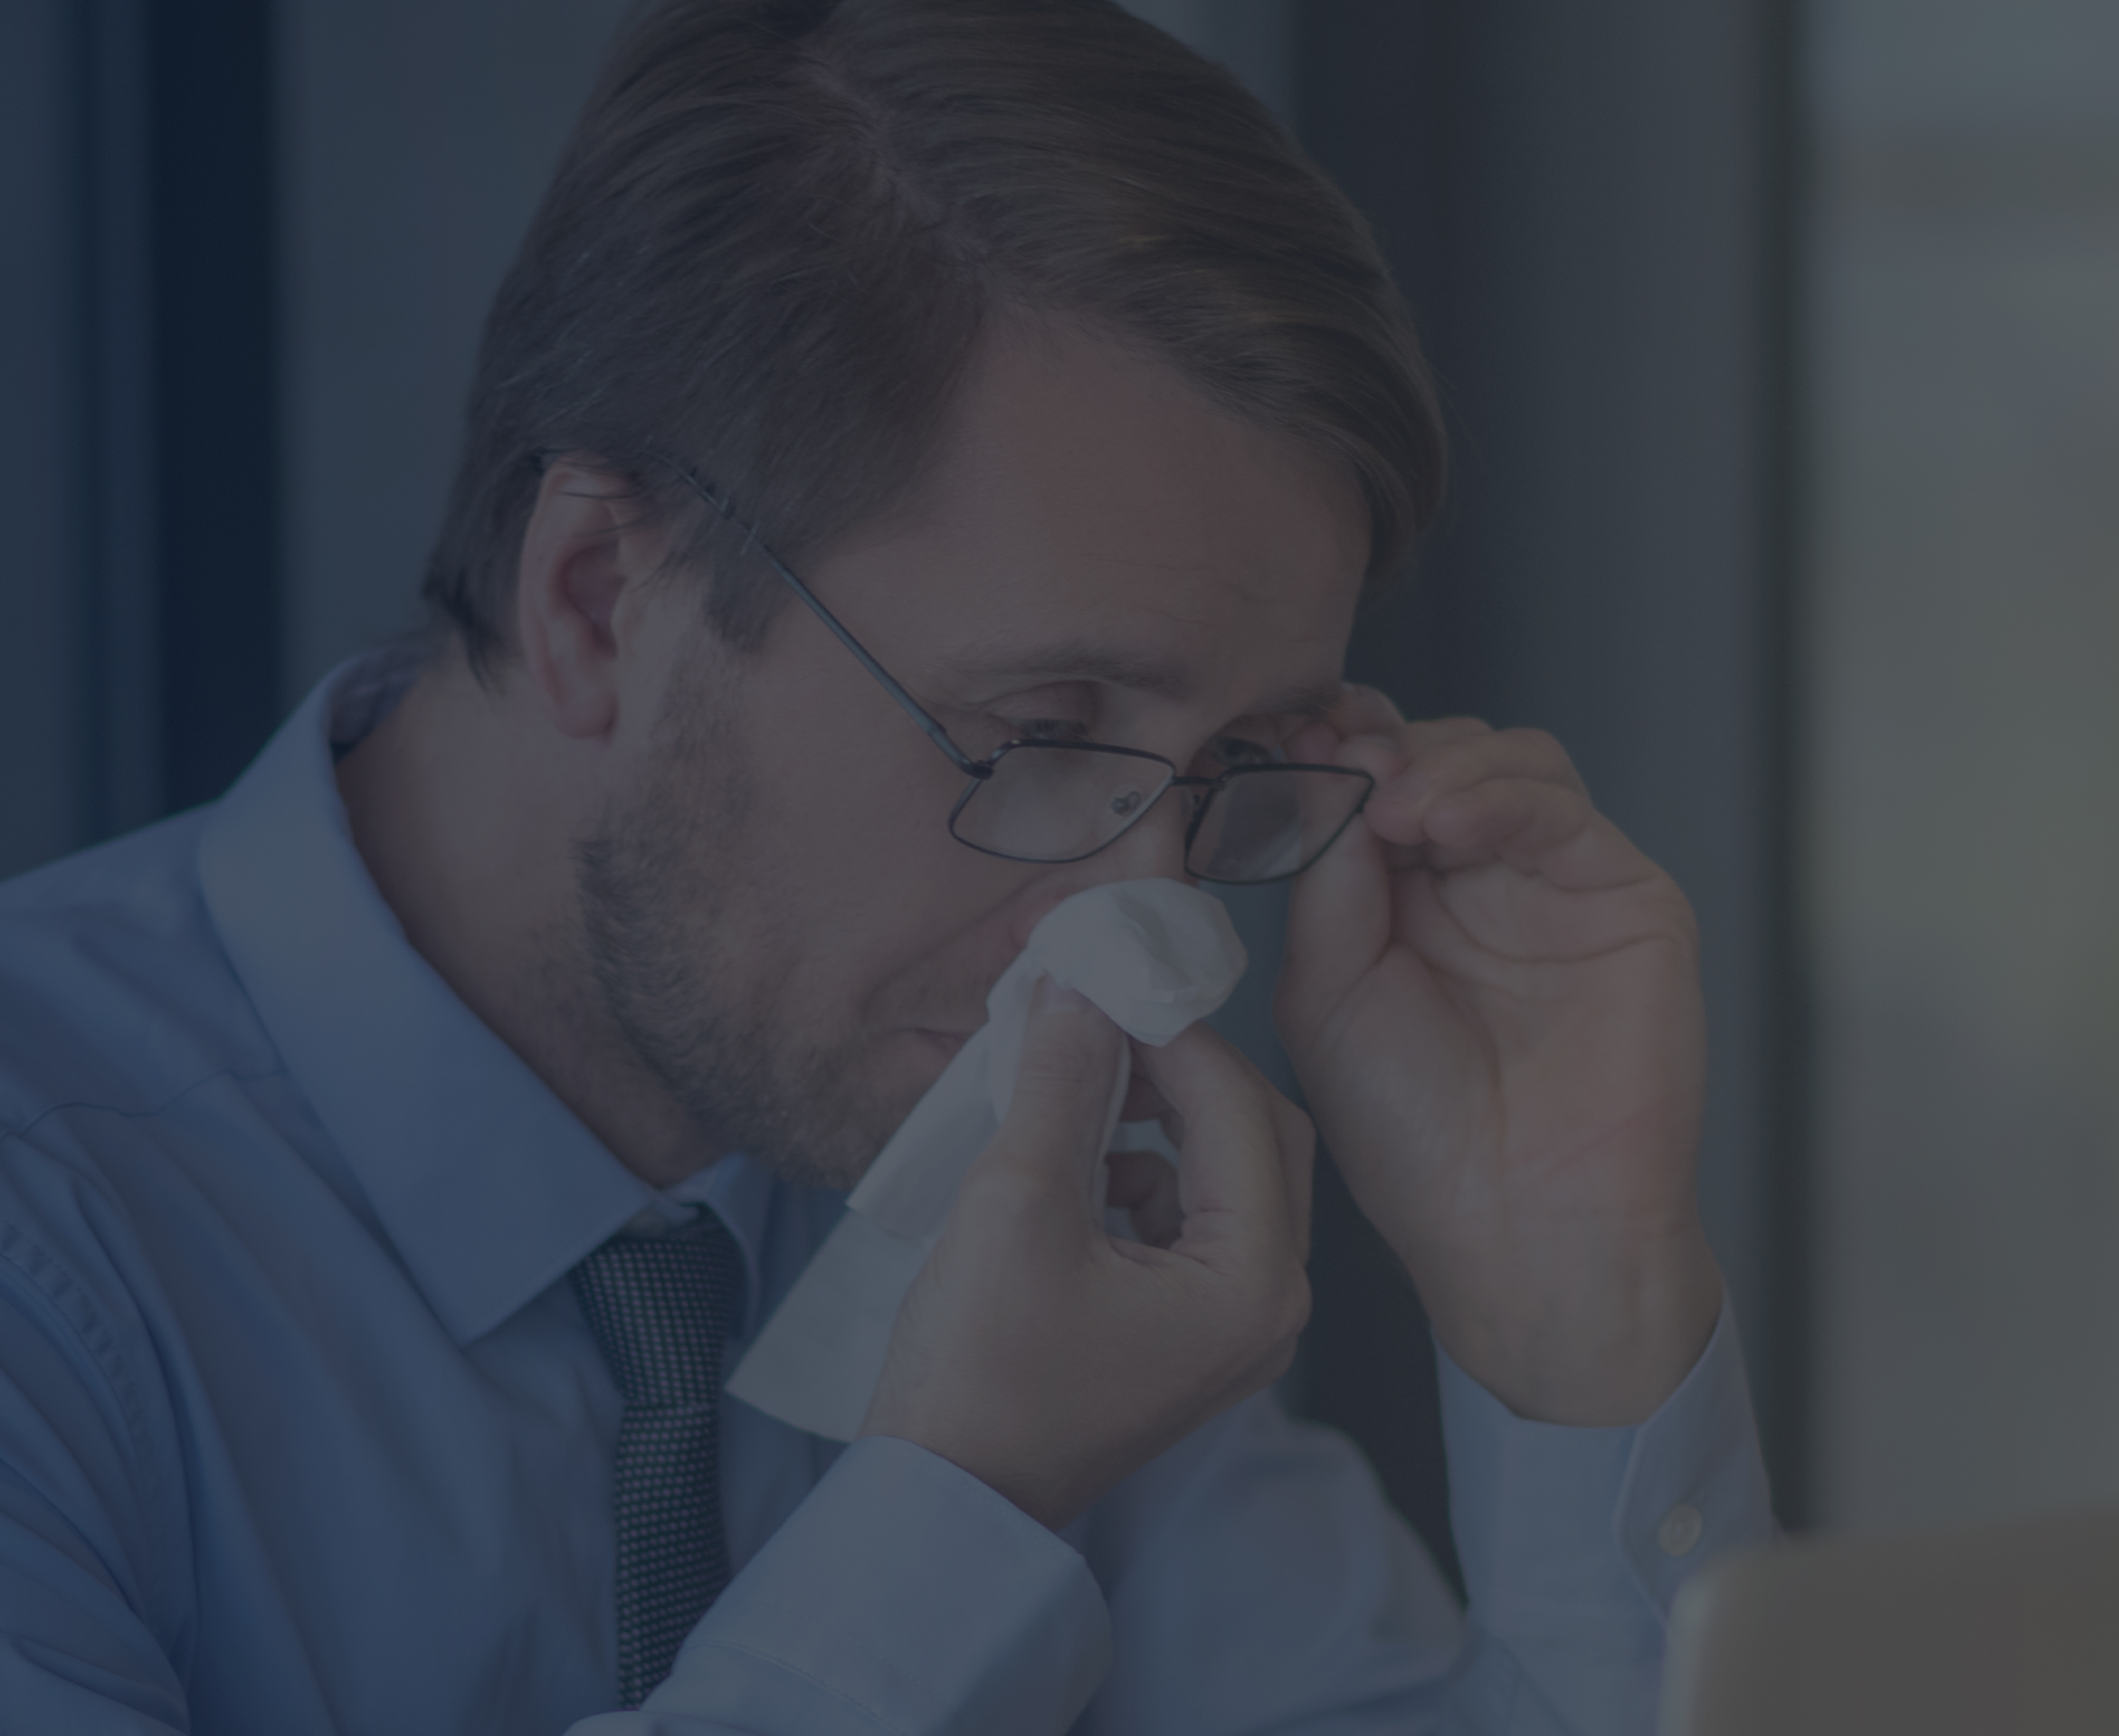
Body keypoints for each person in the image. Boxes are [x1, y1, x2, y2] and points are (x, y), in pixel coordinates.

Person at [0, 1, 1775, 1730]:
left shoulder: (1001, 1187)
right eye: (1039, 736)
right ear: (601, 607)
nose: (1137, 923)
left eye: (1233, 766)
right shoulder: (50, 1259)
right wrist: (966, 1510)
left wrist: (1575, 1303)